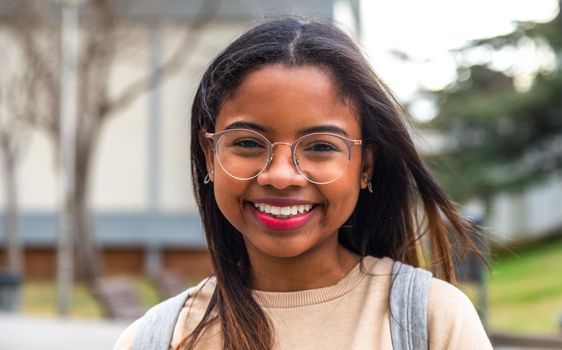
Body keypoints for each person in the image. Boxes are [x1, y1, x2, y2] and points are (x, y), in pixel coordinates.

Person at [114, 18, 492, 350]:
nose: (280, 175)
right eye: (247, 142)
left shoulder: (430, 320)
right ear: (211, 155)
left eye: (321, 147)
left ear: (366, 166)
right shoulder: (157, 338)